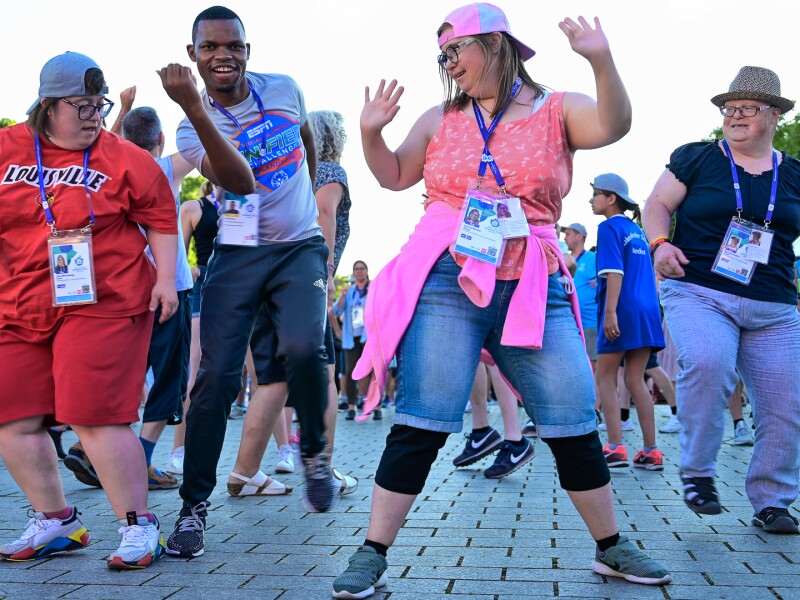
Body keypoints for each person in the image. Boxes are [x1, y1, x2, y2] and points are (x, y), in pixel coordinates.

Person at [331, 5, 671, 598]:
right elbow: (392, 175)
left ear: (493, 44)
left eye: (455, 50)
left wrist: (600, 59)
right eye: (443, 56)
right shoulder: (440, 117)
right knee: (424, 418)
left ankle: (611, 547)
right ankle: (372, 552)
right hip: (447, 277)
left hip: (532, 281)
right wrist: (369, 132)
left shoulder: (557, 108)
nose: (448, 64)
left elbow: (613, 124)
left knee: (570, 416)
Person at [158, 5, 336, 558]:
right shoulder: (191, 126)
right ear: (193, 55)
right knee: (214, 378)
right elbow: (240, 182)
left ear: (247, 51)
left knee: (306, 349)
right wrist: (193, 104)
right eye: (209, 47)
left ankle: (313, 456)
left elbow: (305, 144)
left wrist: (301, 209)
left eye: (232, 45)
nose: (222, 56)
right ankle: (194, 508)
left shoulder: (284, 88)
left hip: (298, 249)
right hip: (236, 257)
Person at [0, 52, 178, 569]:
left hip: (104, 298)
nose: (93, 115)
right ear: (47, 105)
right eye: (80, 106)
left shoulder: (123, 157)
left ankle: (138, 525)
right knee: (11, 413)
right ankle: (55, 521)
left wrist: (166, 278)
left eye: (98, 105)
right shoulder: (8, 147)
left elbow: (161, 220)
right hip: (20, 299)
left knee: (92, 414)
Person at [642, 65, 800, 533]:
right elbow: (656, 205)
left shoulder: (793, 175)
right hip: (699, 290)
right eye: (730, 108)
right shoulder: (697, 158)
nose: (735, 116)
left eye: (747, 108)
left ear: (773, 115)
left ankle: (772, 501)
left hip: (774, 306)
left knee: (786, 404)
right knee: (709, 362)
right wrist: (659, 243)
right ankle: (698, 473)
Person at [116, 93, 195, 491]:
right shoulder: (165, 169)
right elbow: (202, 146)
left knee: (124, 375)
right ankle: (141, 461)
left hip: (126, 289)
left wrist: (120, 114)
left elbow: (100, 146)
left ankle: (92, 448)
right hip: (172, 288)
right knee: (169, 380)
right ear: (161, 138)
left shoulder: (114, 166)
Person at [590, 173, 665, 470]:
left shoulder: (608, 227)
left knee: (605, 378)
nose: (592, 199)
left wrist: (610, 313)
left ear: (611, 199)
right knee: (636, 380)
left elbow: (614, 273)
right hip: (647, 311)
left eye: (596, 194)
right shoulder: (636, 231)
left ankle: (616, 447)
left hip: (622, 309)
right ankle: (652, 451)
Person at [167, 180, 220, 475]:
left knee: (262, 372)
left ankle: (282, 450)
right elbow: (174, 258)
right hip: (203, 288)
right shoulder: (193, 207)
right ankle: (178, 450)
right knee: (194, 372)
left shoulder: (247, 198)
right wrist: (192, 269)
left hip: (242, 288)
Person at [333, 261, 375, 420]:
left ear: (366, 270)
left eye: (362, 268)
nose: (359, 272)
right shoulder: (349, 291)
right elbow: (336, 310)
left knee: (369, 371)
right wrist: (342, 297)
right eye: (356, 269)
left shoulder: (372, 289)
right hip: (351, 338)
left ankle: (368, 403)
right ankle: (351, 406)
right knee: (350, 372)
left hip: (367, 337)